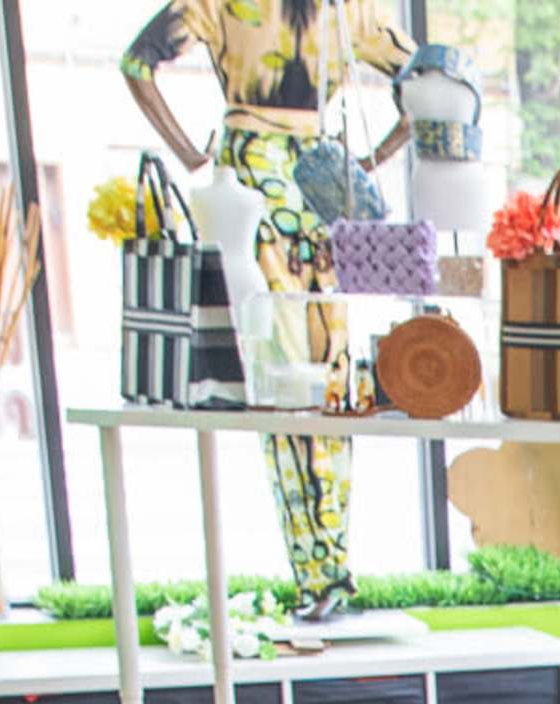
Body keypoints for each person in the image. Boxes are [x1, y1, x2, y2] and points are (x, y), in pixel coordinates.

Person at [124, 0, 412, 621]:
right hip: (313, 181)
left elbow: (137, 65)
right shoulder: (346, 10)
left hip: (254, 176)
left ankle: (320, 574)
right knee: (316, 374)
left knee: (289, 379)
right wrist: (369, 162)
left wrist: (196, 159)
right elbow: (435, 81)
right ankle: (325, 571)